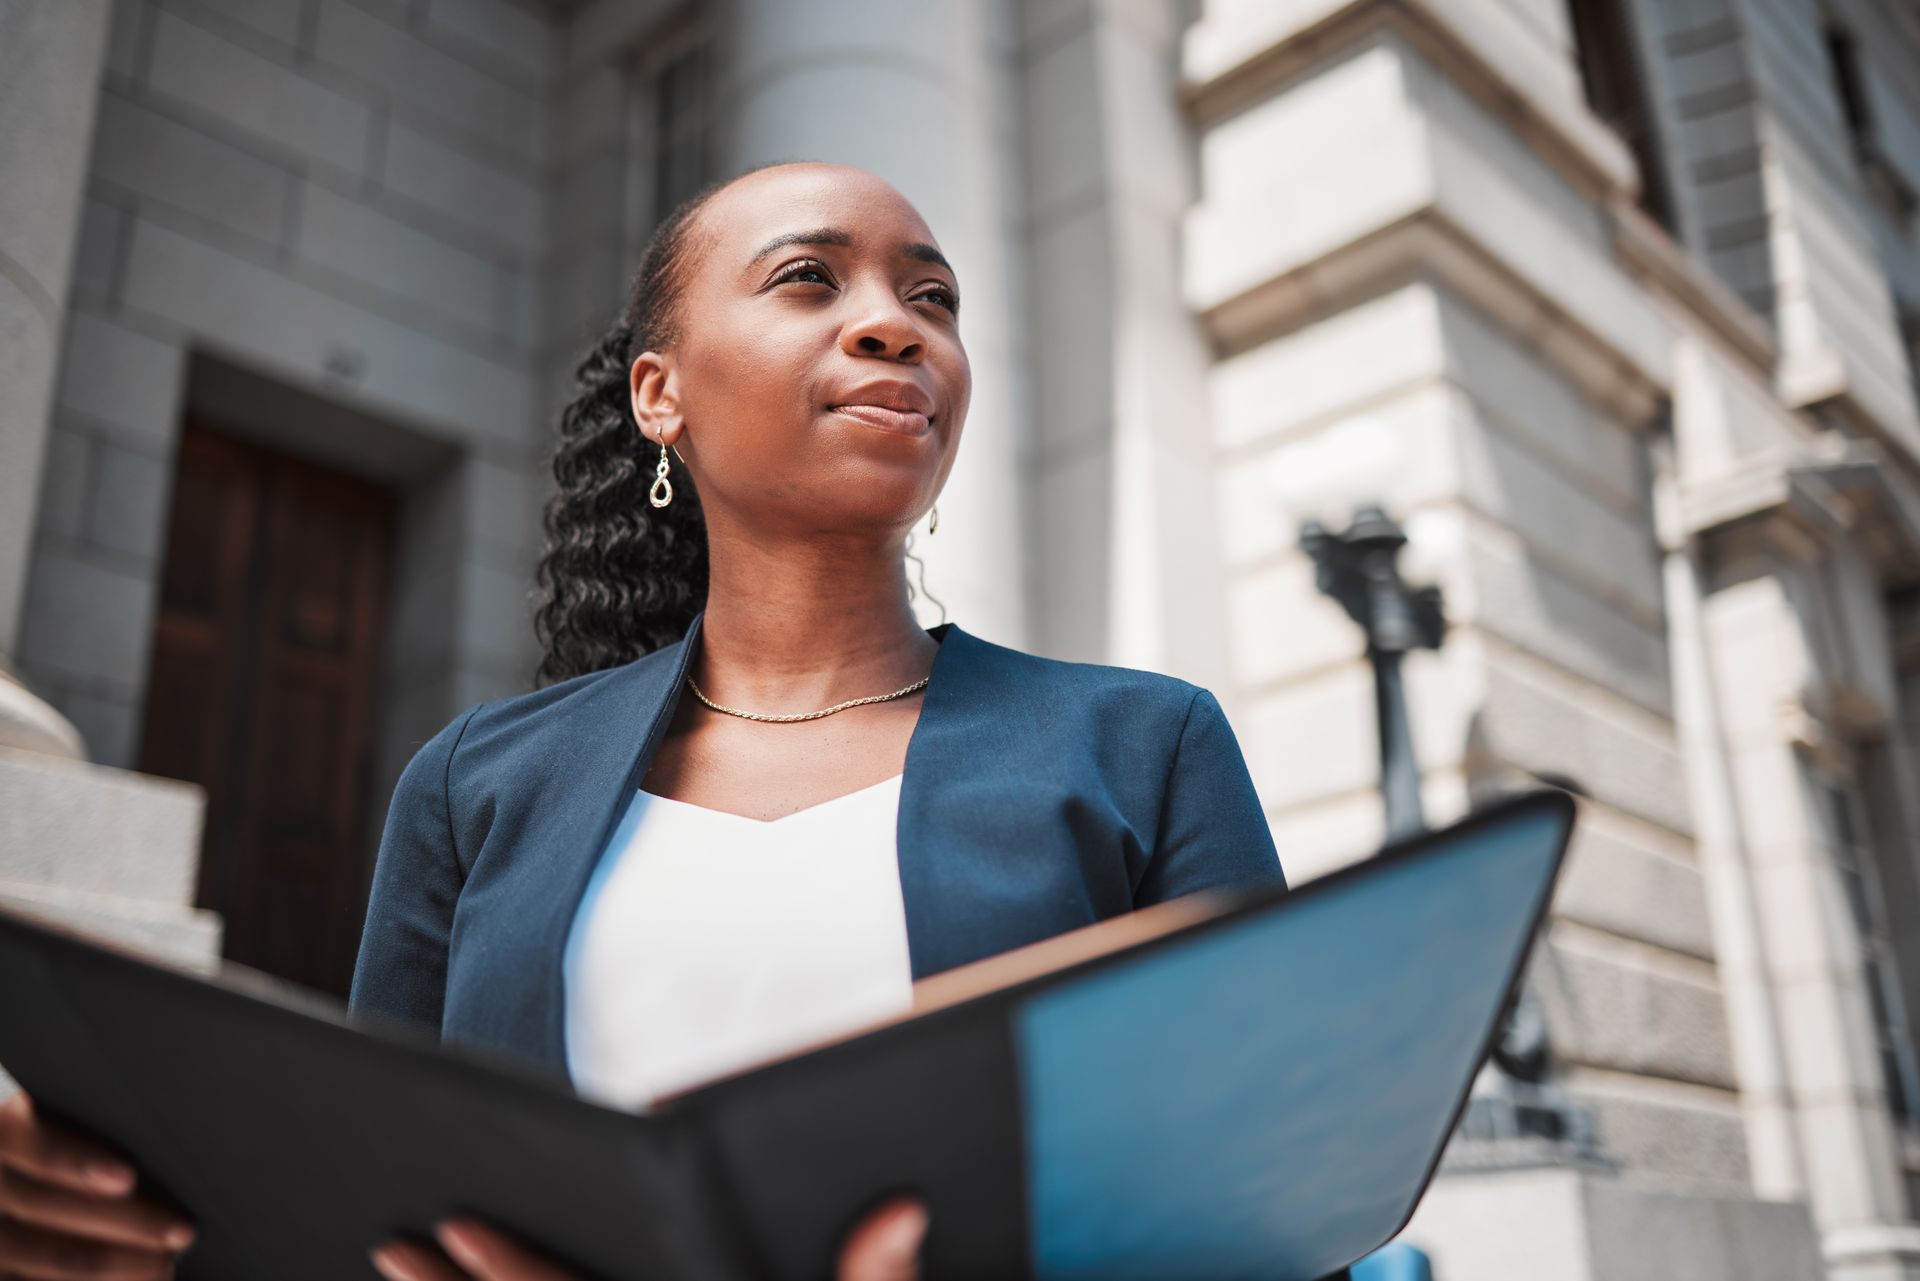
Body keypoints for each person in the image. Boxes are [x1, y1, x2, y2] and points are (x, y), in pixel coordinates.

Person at [0, 161, 1284, 1280]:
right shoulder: (476, 786)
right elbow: (371, 1214)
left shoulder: (1143, 748)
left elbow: (1269, 1210)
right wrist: (125, 1237)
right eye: (808, 280)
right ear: (660, 395)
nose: (895, 325)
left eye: (933, 296)